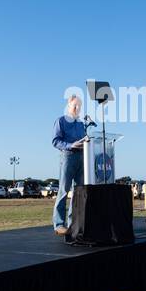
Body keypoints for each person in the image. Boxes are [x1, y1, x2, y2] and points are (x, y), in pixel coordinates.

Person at [50, 95, 87, 234]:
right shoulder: (60, 121)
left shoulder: (80, 123)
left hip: (82, 157)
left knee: (78, 192)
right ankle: (59, 224)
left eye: (80, 106)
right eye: (75, 106)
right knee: (64, 190)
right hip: (68, 157)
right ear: (69, 105)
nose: (77, 108)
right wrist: (71, 145)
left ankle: (72, 223)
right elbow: (55, 141)